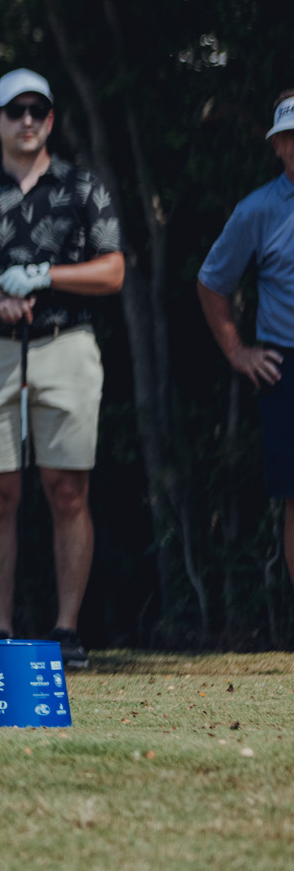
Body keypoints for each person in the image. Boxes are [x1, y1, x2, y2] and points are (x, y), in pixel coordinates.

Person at [0, 69, 124, 667]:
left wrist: (44, 275)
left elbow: (112, 270)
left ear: (52, 119)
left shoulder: (83, 187)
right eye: (16, 111)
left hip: (66, 345)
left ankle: (66, 632)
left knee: (68, 490)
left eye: (38, 109)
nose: (28, 120)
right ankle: (2, 633)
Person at [196, 90, 294, 586]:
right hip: (286, 366)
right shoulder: (256, 211)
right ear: (277, 145)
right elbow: (212, 282)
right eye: (291, 137)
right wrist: (237, 351)